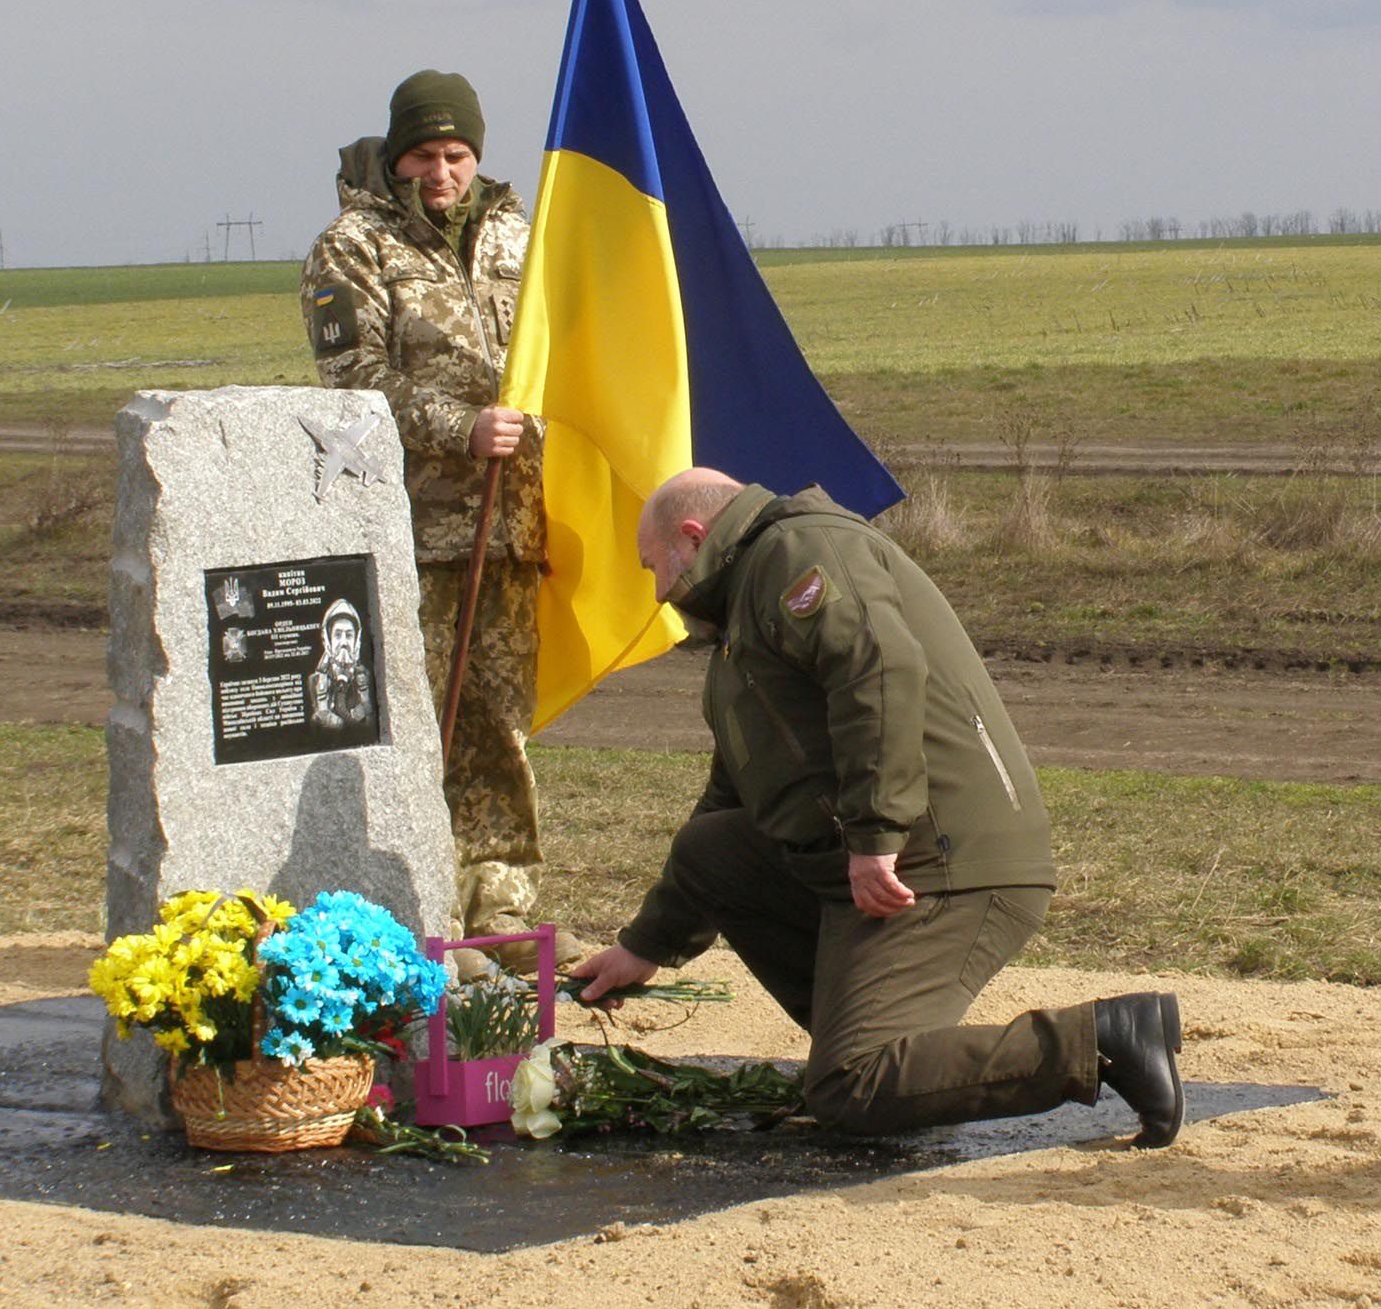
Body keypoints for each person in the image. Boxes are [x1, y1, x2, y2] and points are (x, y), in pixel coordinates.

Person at [571, 468, 1186, 1143]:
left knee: (848, 1087)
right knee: (710, 850)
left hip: (944, 861)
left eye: (653, 566)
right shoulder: (746, 608)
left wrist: (874, 834)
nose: (658, 590)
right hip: (888, 855)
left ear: (692, 536)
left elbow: (880, 666)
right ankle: (893, 1046)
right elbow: (734, 794)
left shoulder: (800, 554)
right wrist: (645, 945)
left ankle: (1100, 1040)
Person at [299, 70, 578, 970]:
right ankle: (419, 911)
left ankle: (500, 910)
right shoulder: (352, 248)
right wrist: (458, 429)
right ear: (395, 155)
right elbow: (352, 385)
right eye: (424, 154)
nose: (443, 172)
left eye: (458, 154)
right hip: (411, 530)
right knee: (414, 724)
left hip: (511, 527)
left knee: (498, 723)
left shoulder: (520, 237)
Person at [307, 599, 373, 733]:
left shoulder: (366, 678)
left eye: (349, 635)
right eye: (337, 635)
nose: (344, 643)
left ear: (356, 640)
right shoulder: (315, 682)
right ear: (328, 640)